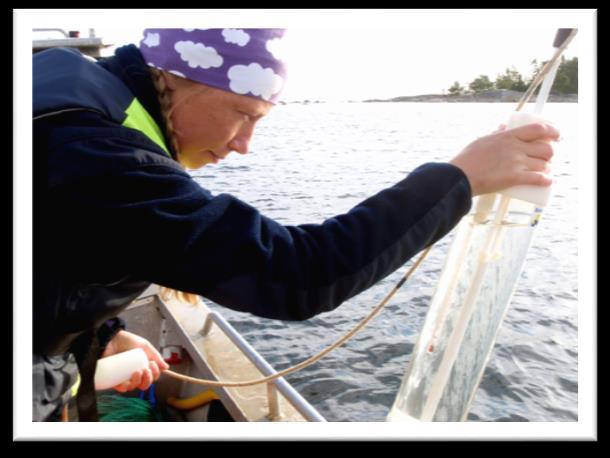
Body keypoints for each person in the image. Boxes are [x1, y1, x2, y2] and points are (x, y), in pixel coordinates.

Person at [32, 28, 559, 422]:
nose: (244, 145)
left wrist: (104, 334)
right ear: (173, 77)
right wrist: (459, 180)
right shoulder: (96, 152)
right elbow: (295, 274)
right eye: (244, 113)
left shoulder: (74, 115)